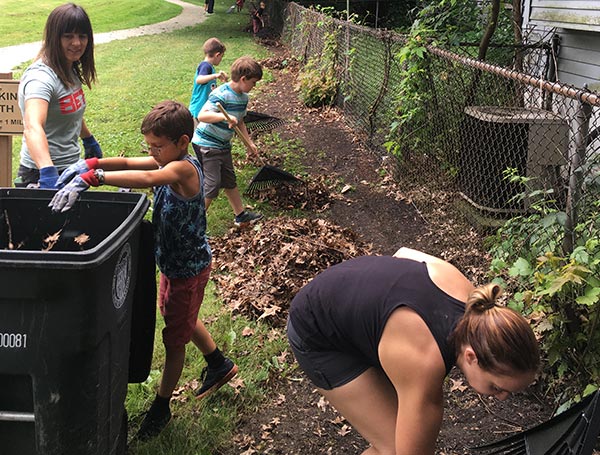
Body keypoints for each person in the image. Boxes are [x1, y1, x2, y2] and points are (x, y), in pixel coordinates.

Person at [49, 100, 238, 441]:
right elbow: (127, 162)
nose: (152, 152)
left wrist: (94, 178)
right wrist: (90, 161)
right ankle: (218, 363)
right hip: (171, 263)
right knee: (176, 315)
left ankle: (161, 406)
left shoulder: (183, 169)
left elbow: (149, 176)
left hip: (188, 270)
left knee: (174, 338)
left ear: (182, 142)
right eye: (149, 146)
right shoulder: (167, 157)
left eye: (157, 146)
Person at [287, 247, 540, 455]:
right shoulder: (424, 361)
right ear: (472, 356)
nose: (503, 397)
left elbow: (403, 254)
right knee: (393, 448)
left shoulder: (471, 300)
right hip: (316, 332)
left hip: (343, 293)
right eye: (497, 387)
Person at [17, 3, 102, 189]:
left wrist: (88, 139)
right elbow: (32, 127)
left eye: (82, 36)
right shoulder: (40, 78)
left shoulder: (68, 66)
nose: (77, 43)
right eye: (68, 36)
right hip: (39, 173)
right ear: (54, 37)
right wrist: (47, 172)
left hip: (70, 167)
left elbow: (69, 109)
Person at [193, 55, 263, 227]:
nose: (254, 86)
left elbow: (240, 121)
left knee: (229, 180)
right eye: (253, 82)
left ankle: (240, 215)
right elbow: (202, 116)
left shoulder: (243, 98)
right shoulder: (221, 94)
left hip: (223, 145)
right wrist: (223, 117)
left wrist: (249, 142)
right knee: (213, 184)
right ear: (243, 79)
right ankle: (193, 221)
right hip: (206, 143)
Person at [188, 38, 228, 126]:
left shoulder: (209, 67)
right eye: (222, 56)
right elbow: (199, 80)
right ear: (217, 55)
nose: (221, 59)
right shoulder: (205, 66)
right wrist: (215, 75)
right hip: (198, 109)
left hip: (204, 110)